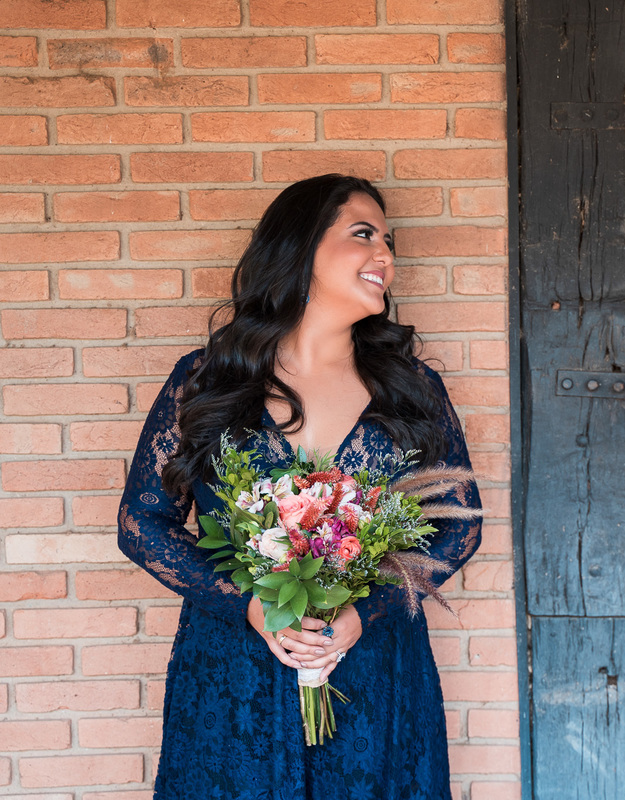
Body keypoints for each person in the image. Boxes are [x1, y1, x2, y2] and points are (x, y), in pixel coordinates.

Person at [118, 174, 482, 799]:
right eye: (363, 235)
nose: (385, 256)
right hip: (236, 670)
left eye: (389, 241)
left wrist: (363, 614)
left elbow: (459, 525)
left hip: (371, 669)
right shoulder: (208, 380)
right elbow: (142, 521)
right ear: (300, 247)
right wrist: (249, 604)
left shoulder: (409, 387)